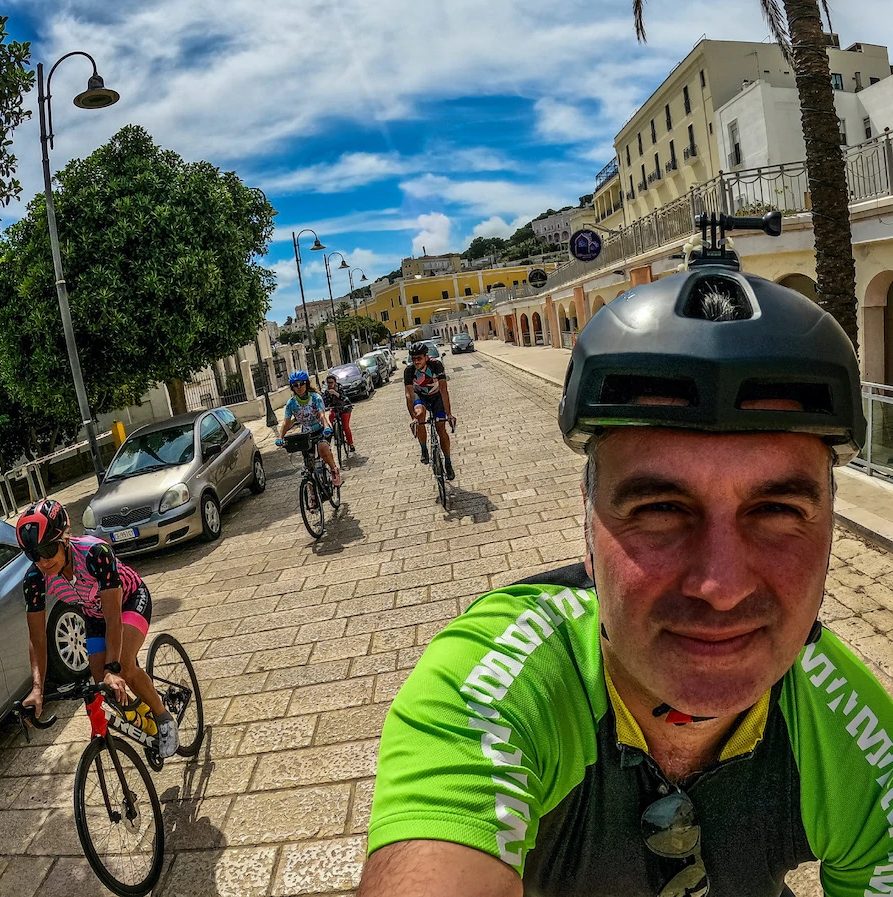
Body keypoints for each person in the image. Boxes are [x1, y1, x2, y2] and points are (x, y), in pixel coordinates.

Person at [360, 256, 892, 897]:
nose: (720, 585)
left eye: (777, 510)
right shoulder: (494, 692)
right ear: (587, 531)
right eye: (660, 510)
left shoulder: (853, 730)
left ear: (831, 528)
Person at [17, 499, 179, 758]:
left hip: (129, 601)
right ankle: (141, 712)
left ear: (65, 540)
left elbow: (114, 619)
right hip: (93, 615)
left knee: (122, 667)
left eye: (48, 549)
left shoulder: (95, 554)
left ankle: (163, 717)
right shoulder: (35, 579)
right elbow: (36, 637)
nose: (43, 561)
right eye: (33, 554)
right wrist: (37, 688)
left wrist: (112, 667)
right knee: (100, 685)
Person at [276, 370, 342, 487]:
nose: (299, 387)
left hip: (321, 430)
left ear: (306, 383)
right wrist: (280, 437)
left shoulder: (316, 397)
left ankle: (333, 469)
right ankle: (312, 495)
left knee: (323, 449)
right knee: (308, 468)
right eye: (296, 385)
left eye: (302, 383)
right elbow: (286, 422)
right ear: (292, 387)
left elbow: (322, 414)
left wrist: (326, 426)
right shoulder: (291, 403)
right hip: (305, 434)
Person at [403, 342, 456, 480]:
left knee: (441, 429)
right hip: (420, 396)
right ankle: (424, 448)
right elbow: (409, 394)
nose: (416, 362)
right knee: (420, 415)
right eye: (413, 359)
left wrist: (449, 414)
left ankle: (448, 462)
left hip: (436, 396)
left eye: (419, 358)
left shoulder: (436, 365)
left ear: (426, 357)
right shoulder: (409, 371)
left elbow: (444, 390)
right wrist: (413, 417)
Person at [323, 373, 355, 453]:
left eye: (331, 383)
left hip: (344, 408)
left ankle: (351, 444)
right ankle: (336, 432)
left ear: (335, 382)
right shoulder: (326, 391)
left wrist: (336, 393)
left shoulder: (339, 388)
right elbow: (325, 402)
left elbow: (344, 398)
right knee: (331, 415)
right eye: (328, 383)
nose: (330, 385)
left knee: (345, 426)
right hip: (334, 408)